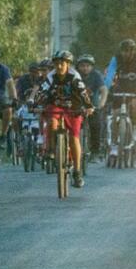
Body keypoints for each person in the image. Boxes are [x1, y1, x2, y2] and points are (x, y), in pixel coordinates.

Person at [33, 50, 93, 188]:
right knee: (52, 121)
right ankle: (52, 150)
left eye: (62, 63)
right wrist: (35, 103)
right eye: (56, 64)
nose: (59, 67)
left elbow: (83, 93)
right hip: (56, 105)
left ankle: (77, 172)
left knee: (74, 138)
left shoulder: (74, 76)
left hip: (74, 107)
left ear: (68, 64)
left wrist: (89, 106)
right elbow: (42, 91)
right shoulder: (51, 76)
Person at [104, 39, 136, 145]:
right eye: (124, 51)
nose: (126, 53)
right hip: (120, 89)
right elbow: (110, 73)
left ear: (133, 51)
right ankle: (114, 142)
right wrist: (106, 88)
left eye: (129, 51)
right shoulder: (116, 59)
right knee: (115, 115)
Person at [76, 54, 108, 157]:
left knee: (96, 125)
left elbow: (104, 90)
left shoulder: (96, 75)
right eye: (82, 65)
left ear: (92, 67)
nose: (85, 68)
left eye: (88, 66)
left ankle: (95, 150)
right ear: (78, 66)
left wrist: (101, 103)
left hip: (93, 105)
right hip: (77, 105)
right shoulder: (75, 75)